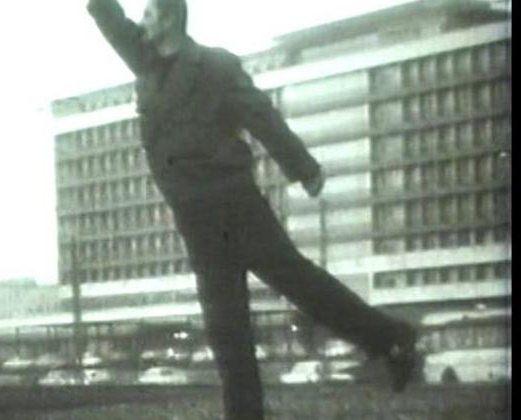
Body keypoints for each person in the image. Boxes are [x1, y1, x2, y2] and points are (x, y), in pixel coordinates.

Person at [86, 1, 421, 418]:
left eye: (149, 14)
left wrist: (304, 168)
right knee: (226, 331)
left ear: (170, 19)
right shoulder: (145, 62)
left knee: (302, 286)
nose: (141, 22)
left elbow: (261, 116)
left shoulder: (215, 66)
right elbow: (109, 18)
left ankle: (391, 339)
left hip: (235, 203)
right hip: (195, 218)